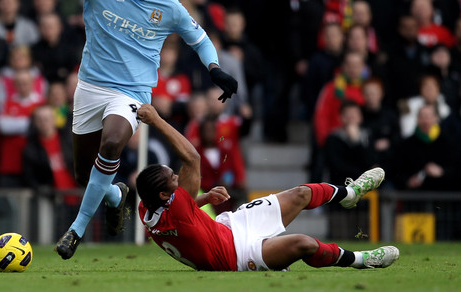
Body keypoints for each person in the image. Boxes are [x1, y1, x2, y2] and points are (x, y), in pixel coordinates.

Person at [0, 0, 238, 260]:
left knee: (113, 142)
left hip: (132, 93)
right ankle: (117, 196)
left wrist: (214, 69)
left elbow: (200, 40)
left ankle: (75, 231)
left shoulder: (170, 8)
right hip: (90, 87)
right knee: (84, 175)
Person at [135, 103, 399, 272]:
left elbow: (180, 220)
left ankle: (349, 194)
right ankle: (362, 260)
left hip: (231, 226)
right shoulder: (176, 207)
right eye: (173, 179)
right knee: (303, 244)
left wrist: (202, 198)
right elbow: (192, 158)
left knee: (301, 193)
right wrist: (157, 120)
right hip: (236, 256)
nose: (178, 179)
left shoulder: (145, 207)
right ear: (164, 194)